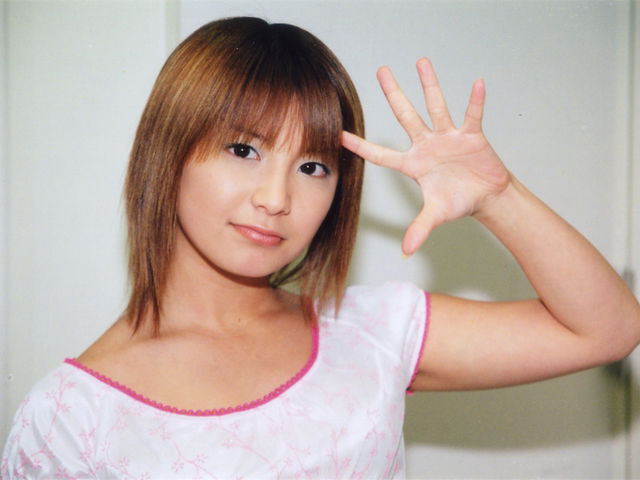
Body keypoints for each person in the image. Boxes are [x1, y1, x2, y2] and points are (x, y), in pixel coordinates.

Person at [2, 16, 639, 479]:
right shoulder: (68, 420)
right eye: (243, 149)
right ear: (166, 153)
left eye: (312, 166)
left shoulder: (371, 333)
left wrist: (498, 196)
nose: (276, 198)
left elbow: (607, 329)